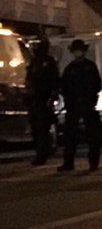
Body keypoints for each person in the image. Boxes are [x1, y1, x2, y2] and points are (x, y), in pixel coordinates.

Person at [58, 38, 102, 172]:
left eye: (80, 50)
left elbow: (97, 85)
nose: (78, 52)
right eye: (76, 50)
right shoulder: (70, 68)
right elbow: (64, 86)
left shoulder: (90, 67)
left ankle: (93, 163)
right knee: (70, 136)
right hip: (73, 106)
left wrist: (88, 97)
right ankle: (68, 162)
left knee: (93, 136)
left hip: (88, 105)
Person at [25, 38, 60, 166]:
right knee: (36, 128)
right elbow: (29, 79)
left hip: (44, 99)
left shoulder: (48, 62)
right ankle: (41, 152)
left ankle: (43, 153)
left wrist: (52, 97)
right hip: (35, 100)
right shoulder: (34, 62)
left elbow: (55, 80)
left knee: (42, 128)